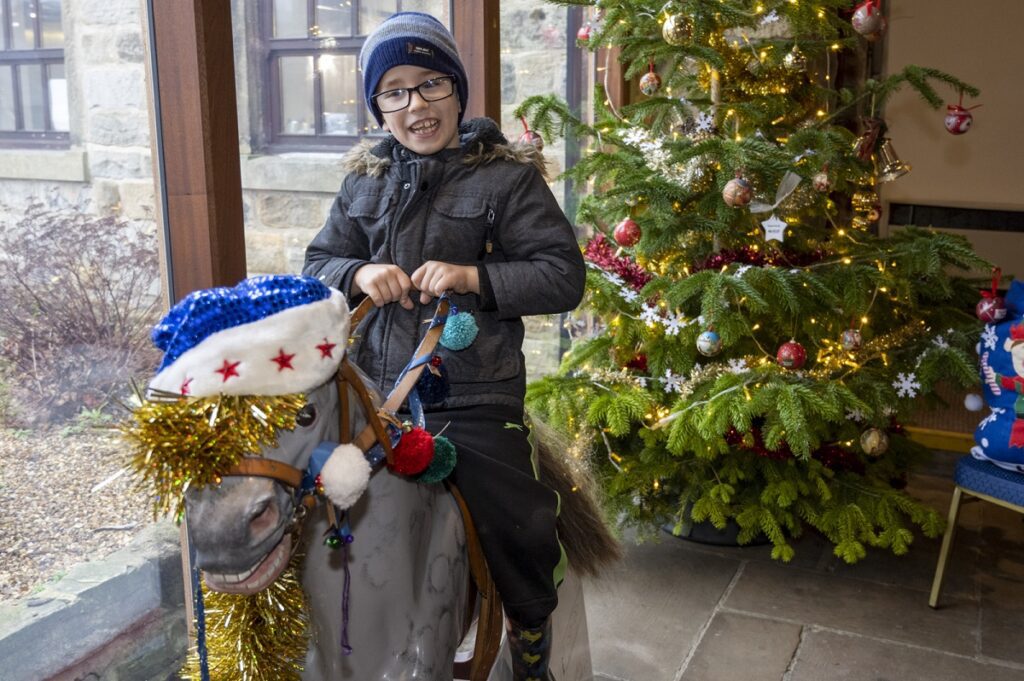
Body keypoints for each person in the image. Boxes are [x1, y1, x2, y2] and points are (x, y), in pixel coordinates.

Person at [303, 11, 585, 681]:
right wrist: (358, 272)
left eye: (430, 84)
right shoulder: (363, 180)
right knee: (305, 496)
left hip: (472, 388)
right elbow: (316, 263)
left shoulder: (506, 179)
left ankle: (531, 640)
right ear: (377, 106)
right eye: (394, 91)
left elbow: (562, 275)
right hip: (372, 385)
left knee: (518, 517)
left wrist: (474, 277)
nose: (416, 105)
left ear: (457, 91)